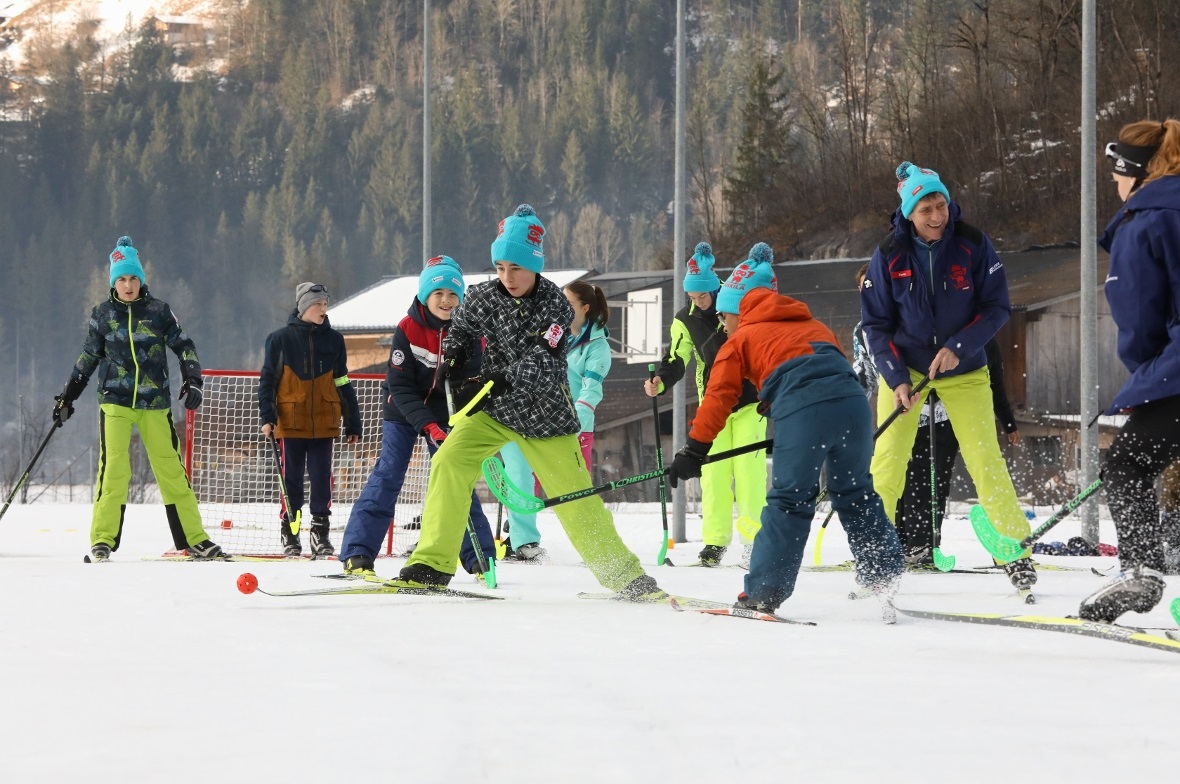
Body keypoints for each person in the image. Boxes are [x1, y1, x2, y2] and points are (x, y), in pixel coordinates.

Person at [394, 204, 661, 599]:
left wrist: (499, 379)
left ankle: (625, 576)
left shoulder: (556, 305)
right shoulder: (484, 297)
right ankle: (431, 565)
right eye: (500, 267)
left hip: (545, 415)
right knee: (449, 460)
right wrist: (453, 355)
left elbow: (544, 358)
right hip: (495, 412)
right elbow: (461, 328)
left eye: (516, 268)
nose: (507, 277)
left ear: (534, 265)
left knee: (575, 498)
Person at [667, 242, 903, 617]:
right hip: (853, 407)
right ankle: (883, 572)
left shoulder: (740, 339)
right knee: (855, 492)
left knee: (790, 501)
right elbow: (826, 372)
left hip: (804, 409)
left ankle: (763, 593)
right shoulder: (814, 325)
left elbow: (718, 398)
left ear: (738, 310)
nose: (722, 325)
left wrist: (694, 451)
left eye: (724, 317)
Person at [860, 161, 1036, 593]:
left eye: (941, 204)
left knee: (985, 460)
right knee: (887, 462)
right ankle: (873, 555)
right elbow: (876, 326)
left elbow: (997, 308)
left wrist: (959, 346)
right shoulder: (888, 254)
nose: (937, 215)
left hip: (964, 367)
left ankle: (1014, 552)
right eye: (926, 209)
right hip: (908, 370)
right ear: (909, 214)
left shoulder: (973, 243)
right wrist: (896, 378)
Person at [52, 236, 224, 562]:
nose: (128, 285)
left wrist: (193, 380)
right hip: (115, 401)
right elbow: (88, 357)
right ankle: (102, 540)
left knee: (171, 470)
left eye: (133, 278)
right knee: (114, 469)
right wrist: (67, 398)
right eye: (122, 279)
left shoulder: (159, 311)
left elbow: (184, 345)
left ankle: (194, 539)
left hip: (154, 402)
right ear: (113, 282)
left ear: (141, 280)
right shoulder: (103, 314)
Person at [336, 256, 496, 578]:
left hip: (448, 411)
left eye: (452, 294)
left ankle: (480, 557)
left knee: (456, 476)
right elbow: (400, 386)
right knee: (389, 474)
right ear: (425, 296)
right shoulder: (407, 328)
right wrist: (428, 425)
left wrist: (459, 420)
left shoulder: (471, 332)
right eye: (438, 293)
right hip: (403, 410)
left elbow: (472, 384)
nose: (446, 301)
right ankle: (357, 553)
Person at [1079, 119, 1180, 622]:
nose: (1115, 184)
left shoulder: (1145, 221)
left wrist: (1149, 380)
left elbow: (1140, 320)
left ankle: (1141, 569)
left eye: (1117, 173)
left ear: (1135, 172)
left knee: (1128, 464)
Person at [645, 242, 767, 568]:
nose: (697, 302)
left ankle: (754, 541)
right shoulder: (684, 319)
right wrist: (660, 380)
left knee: (749, 471)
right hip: (713, 403)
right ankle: (715, 542)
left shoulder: (736, 300)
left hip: (750, 402)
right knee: (713, 473)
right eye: (692, 297)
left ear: (715, 289)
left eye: (702, 297)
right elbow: (676, 358)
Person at [498, 279, 612, 561]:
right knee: (520, 476)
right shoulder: (548, 331)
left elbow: (591, 392)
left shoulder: (597, 347)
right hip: (533, 420)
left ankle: (597, 545)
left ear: (584, 308)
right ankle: (522, 540)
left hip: (571, 428)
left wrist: (573, 424)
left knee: (577, 489)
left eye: (568, 303)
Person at [894, 338, 1021, 566]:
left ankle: (924, 543)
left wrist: (1008, 422)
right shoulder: (925, 335)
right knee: (906, 476)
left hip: (949, 420)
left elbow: (994, 383)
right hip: (913, 412)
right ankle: (904, 542)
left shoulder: (984, 341)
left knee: (936, 480)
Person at [258, 282, 362, 558]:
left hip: (325, 422)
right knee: (290, 479)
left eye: (326, 304)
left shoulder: (335, 340)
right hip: (290, 423)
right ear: (304, 307)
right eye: (318, 304)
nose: (324, 309)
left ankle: (320, 533)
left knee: (322, 478)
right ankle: (290, 532)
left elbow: (342, 381)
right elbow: (268, 381)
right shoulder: (279, 340)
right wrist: (268, 417)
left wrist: (352, 421)